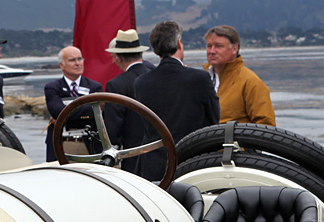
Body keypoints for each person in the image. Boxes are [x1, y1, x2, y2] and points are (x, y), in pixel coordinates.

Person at [134, 21, 219, 182]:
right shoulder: (199, 78)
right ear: (179, 43)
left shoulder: (141, 82)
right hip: (192, 161)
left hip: (154, 165)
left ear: (154, 49)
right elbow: (214, 119)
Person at [103, 29, 154, 175]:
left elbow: (113, 131)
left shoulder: (116, 84)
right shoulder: (156, 77)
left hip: (132, 158)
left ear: (118, 57)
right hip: (160, 154)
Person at [203, 25, 275, 126]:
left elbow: (266, 125)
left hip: (236, 141)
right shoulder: (202, 80)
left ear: (234, 49)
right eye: (209, 46)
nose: (212, 51)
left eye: (218, 46)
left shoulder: (250, 81)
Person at [43, 46, 103, 162]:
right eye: (72, 60)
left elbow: (97, 112)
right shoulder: (52, 87)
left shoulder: (95, 87)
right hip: (61, 144)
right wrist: (87, 109)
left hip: (90, 145)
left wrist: (66, 115)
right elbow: (58, 112)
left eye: (80, 59)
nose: (77, 63)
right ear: (61, 65)